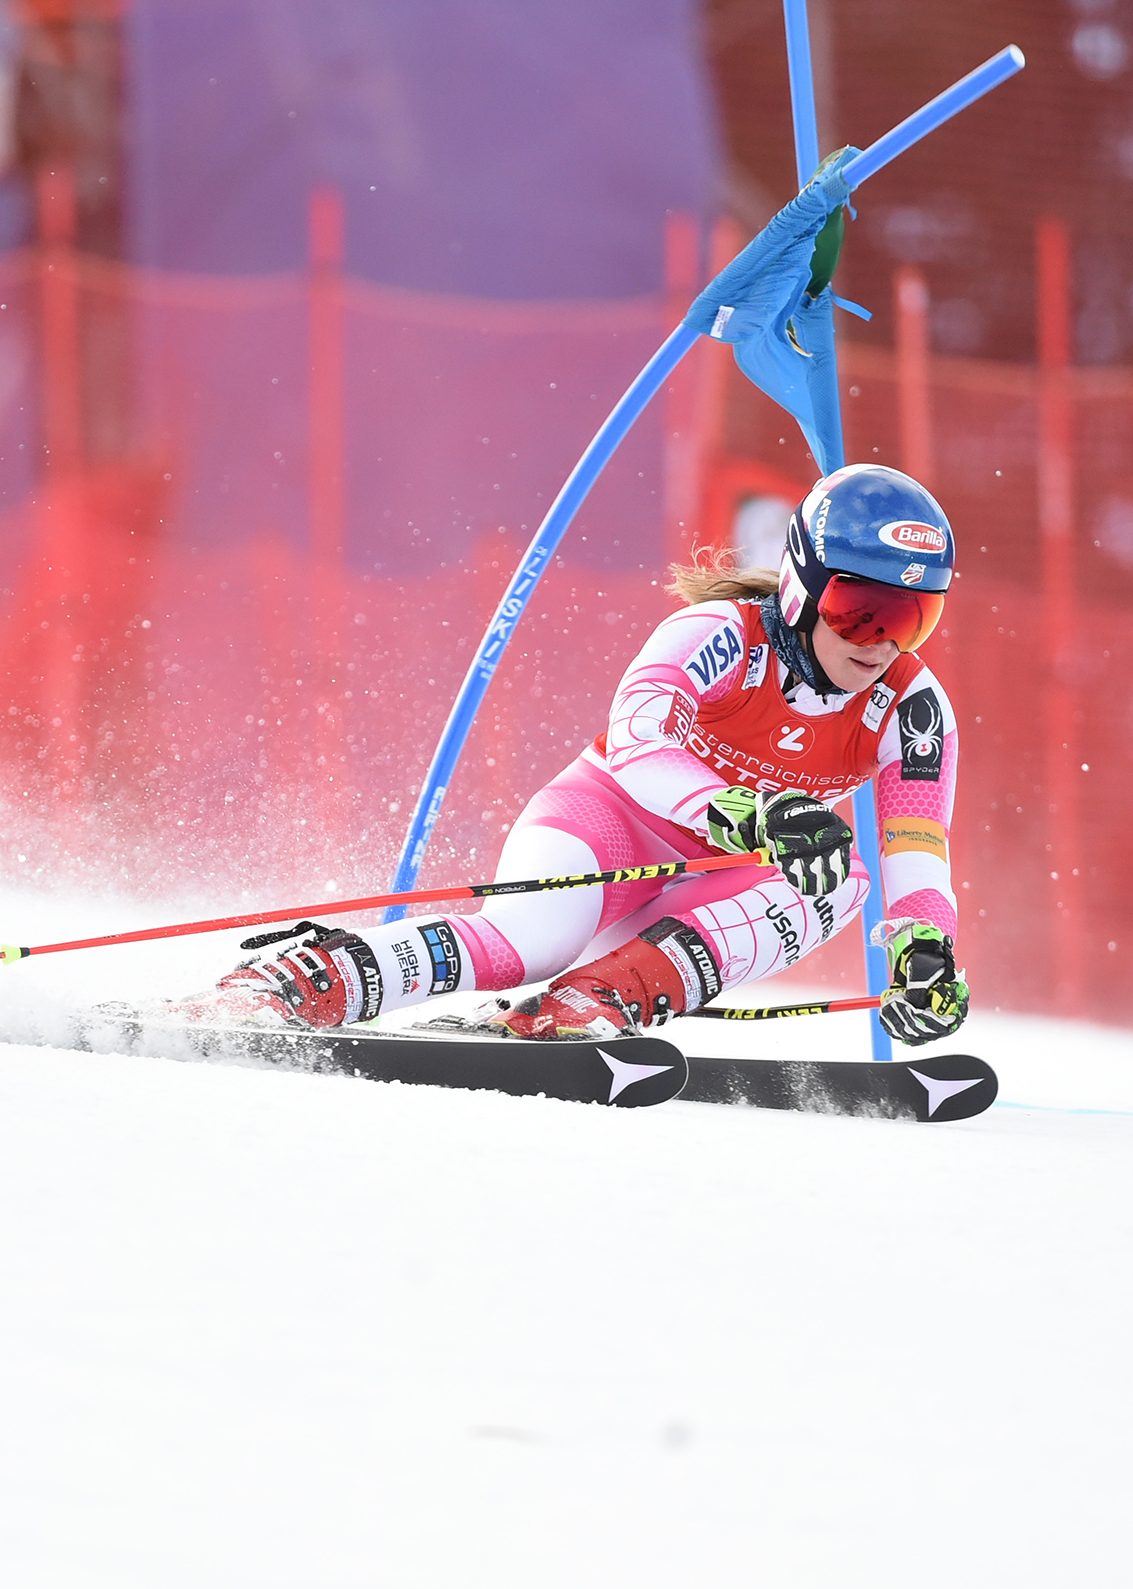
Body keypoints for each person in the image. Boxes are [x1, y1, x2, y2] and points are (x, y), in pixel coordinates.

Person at [212, 462, 970, 1048]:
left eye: (914, 618)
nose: (881, 643)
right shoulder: (718, 635)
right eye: (857, 612)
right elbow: (641, 742)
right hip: (607, 827)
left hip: (708, 889)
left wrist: (924, 947)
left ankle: (589, 1004)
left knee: (841, 877)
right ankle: (297, 982)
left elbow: (915, 844)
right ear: (801, 586)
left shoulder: (912, 708)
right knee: (530, 939)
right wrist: (749, 809)